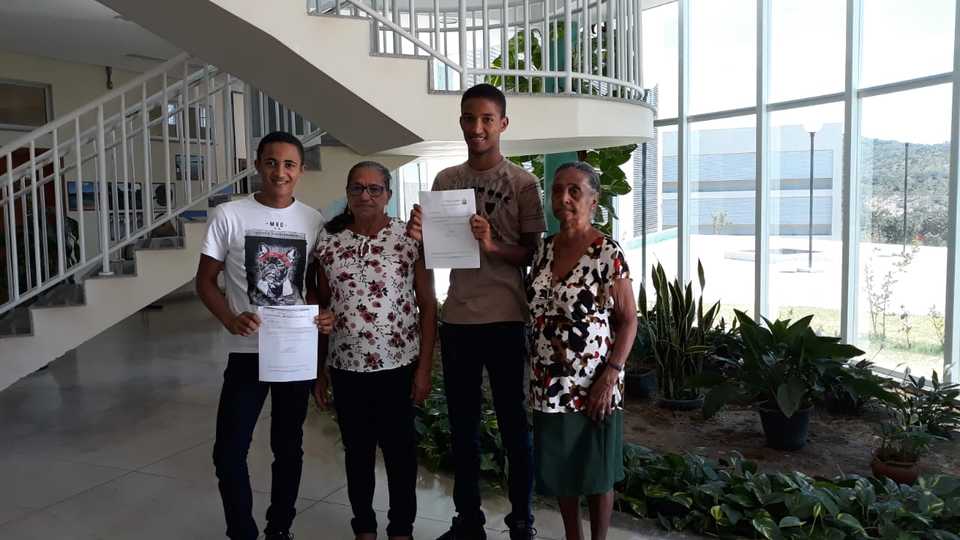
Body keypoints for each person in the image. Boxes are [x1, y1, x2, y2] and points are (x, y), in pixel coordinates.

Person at [407, 83, 544, 540]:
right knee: (461, 429)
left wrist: (491, 244)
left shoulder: (524, 184)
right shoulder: (446, 181)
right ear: (461, 122)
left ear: (502, 124)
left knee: (513, 427)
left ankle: (522, 521)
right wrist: (420, 234)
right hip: (460, 319)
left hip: (507, 319)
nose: (477, 127)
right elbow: (434, 253)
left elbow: (530, 254)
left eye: (487, 119)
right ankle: (468, 520)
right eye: (470, 118)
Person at [196, 131, 325, 540]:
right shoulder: (229, 214)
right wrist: (230, 319)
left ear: (301, 170)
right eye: (271, 162)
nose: (280, 172)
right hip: (247, 351)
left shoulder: (313, 219)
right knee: (229, 451)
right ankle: (243, 531)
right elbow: (204, 282)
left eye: (289, 164)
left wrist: (324, 319)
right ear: (257, 165)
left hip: (294, 351)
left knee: (288, 448)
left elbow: (318, 285)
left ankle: (279, 529)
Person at [309, 161, 437, 540]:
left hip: (398, 365)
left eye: (374, 189)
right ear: (347, 194)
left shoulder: (408, 239)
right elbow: (321, 305)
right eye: (356, 188)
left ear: (388, 195)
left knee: (401, 455)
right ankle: (363, 527)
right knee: (357, 454)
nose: (365, 196)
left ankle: (401, 529)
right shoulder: (328, 243)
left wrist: (425, 369)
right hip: (347, 368)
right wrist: (319, 368)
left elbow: (428, 305)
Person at [525, 162, 637, 540]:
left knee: (597, 471)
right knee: (562, 472)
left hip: (593, 383)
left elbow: (628, 321)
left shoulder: (607, 251)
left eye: (575, 190)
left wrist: (611, 374)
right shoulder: (543, 250)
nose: (564, 198)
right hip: (548, 384)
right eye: (557, 190)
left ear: (594, 199)